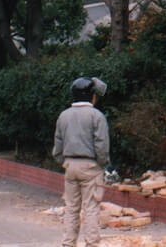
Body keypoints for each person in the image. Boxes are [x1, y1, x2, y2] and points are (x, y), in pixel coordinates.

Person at [53, 77, 110, 247]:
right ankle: (91, 243)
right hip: (91, 165)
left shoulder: (64, 116)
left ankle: (68, 243)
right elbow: (101, 145)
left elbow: (58, 146)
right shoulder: (96, 116)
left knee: (71, 208)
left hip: (70, 165)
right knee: (91, 207)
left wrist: (65, 161)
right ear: (92, 95)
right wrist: (102, 164)